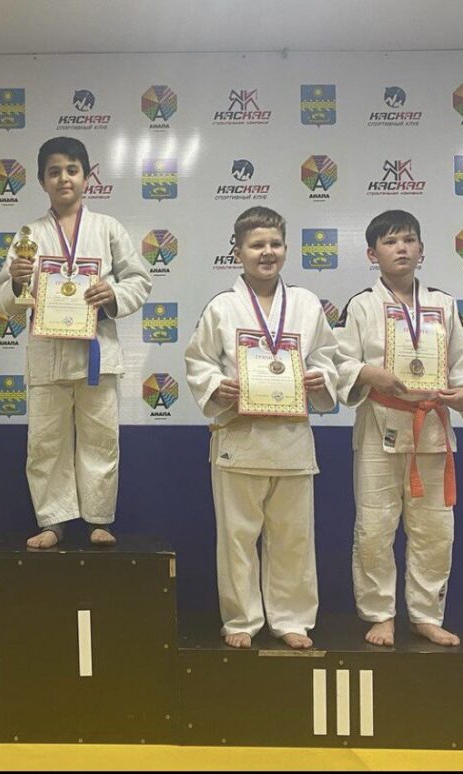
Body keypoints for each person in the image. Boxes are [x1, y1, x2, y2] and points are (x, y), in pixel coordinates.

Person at [334, 210, 463, 647]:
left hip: (432, 428)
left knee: (435, 530)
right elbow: (338, 362)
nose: (401, 248)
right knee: (374, 527)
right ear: (372, 254)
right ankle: (380, 614)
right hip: (378, 427)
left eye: (408, 240)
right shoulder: (361, 306)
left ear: (422, 249)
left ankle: (426, 615)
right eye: (390, 242)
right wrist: (368, 373)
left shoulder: (444, 305)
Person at [185, 206, 338, 650]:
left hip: (291, 439)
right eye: (256, 245)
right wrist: (217, 386)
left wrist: (321, 378)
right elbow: (199, 361)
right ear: (238, 252)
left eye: (274, 244)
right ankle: (241, 618)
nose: (266, 252)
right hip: (239, 437)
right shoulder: (222, 307)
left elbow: (328, 357)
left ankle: (292, 618)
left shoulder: (306, 304)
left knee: (293, 537)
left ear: (286, 248)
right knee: (237, 537)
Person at [0, 136, 151, 549]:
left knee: (101, 439)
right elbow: (6, 299)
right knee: (45, 443)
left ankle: (99, 519)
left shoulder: (108, 228)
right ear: (41, 181)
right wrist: (17, 281)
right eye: (54, 172)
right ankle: (53, 520)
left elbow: (139, 280)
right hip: (47, 354)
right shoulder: (29, 234)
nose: (63, 178)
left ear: (86, 177)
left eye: (71, 170)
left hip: (96, 352)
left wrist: (112, 293)